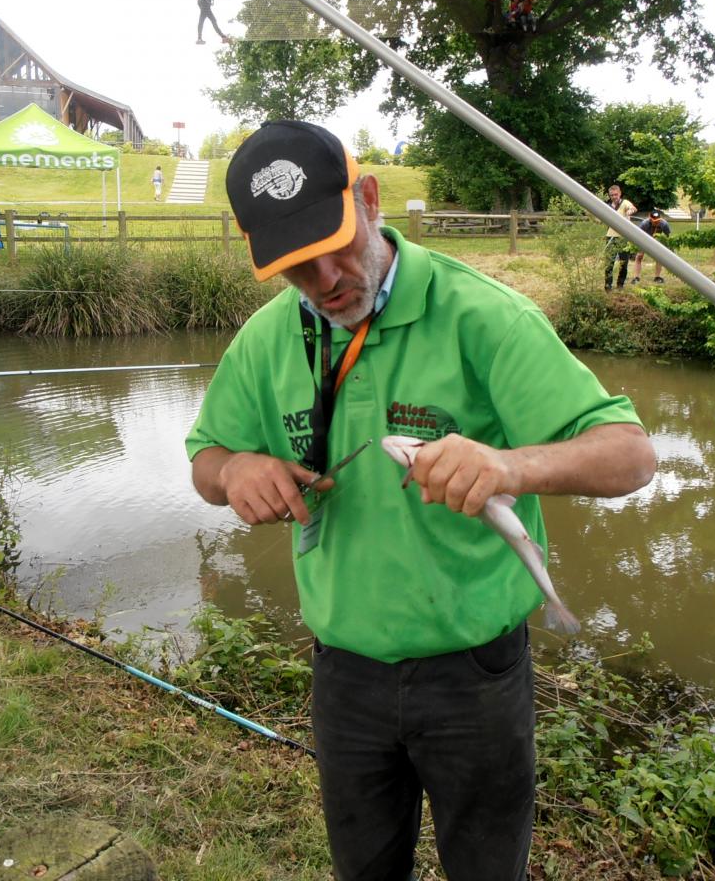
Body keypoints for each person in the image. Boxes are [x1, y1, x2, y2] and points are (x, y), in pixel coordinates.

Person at [186, 120, 655, 881]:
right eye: (297, 265)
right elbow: (204, 459)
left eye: (336, 242)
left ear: (369, 200)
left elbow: (630, 456)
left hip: (474, 680)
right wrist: (234, 469)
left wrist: (508, 465)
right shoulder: (266, 340)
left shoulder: (484, 315)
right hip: (346, 676)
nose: (326, 277)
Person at [602, 183, 637, 290]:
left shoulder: (625, 203)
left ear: (620, 193)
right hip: (610, 237)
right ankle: (608, 286)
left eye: (615, 195)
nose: (614, 197)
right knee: (609, 263)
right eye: (611, 195)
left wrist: (629, 212)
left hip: (623, 238)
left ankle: (620, 285)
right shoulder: (607, 207)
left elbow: (632, 208)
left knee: (623, 263)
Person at [634, 210, 671, 284]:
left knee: (659, 258)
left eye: (657, 220)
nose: (655, 222)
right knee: (639, 256)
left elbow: (668, 236)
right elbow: (638, 235)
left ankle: (657, 277)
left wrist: (667, 246)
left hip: (657, 240)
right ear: (650, 218)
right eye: (654, 220)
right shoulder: (644, 224)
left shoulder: (664, 224)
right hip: (644, 239)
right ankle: (636, 277)